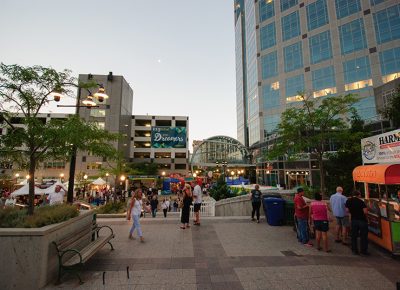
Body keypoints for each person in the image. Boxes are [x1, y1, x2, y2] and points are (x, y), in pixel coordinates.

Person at [345, 190, 369, 256]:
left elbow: (347, 210)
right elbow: (365, 212)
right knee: (363, 236)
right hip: (362, 220)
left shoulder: (348, 201)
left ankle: (354, 250)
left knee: (354, 236)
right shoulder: (361, 202)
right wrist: (367, 218)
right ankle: (363, 251)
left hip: (353, 220)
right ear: (359, 195)